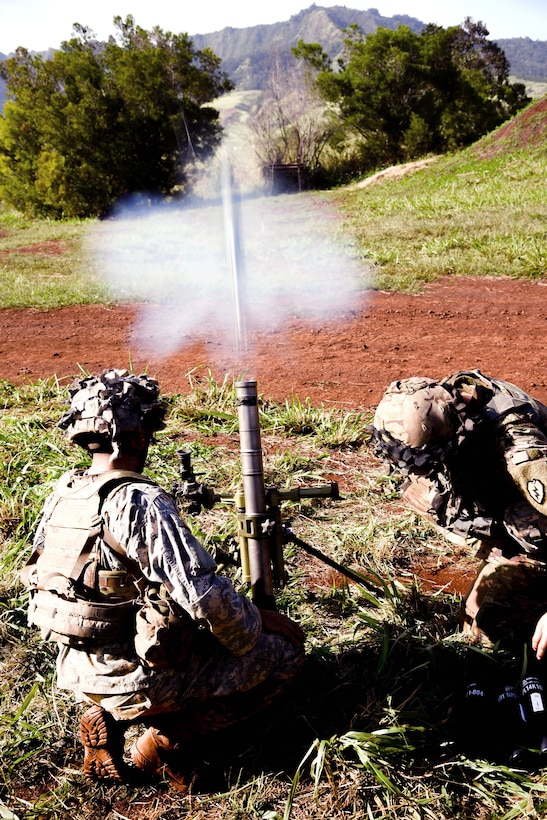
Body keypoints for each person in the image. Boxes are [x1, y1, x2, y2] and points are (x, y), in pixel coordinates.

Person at [22, 368, 305, 791]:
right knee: (284, 655)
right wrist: (258, 624)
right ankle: (166, 740)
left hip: (76, 666)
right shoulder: (139, 501)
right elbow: (204, 597)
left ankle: (105, 713)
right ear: (138, 437)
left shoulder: (65, 492)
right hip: (135, 673)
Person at [370, 369, 547, 659]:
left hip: (538, 513)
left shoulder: (522, 449)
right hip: (510, 507)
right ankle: (512, 553)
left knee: (494, 638)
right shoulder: (447, 404)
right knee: (476, 628)